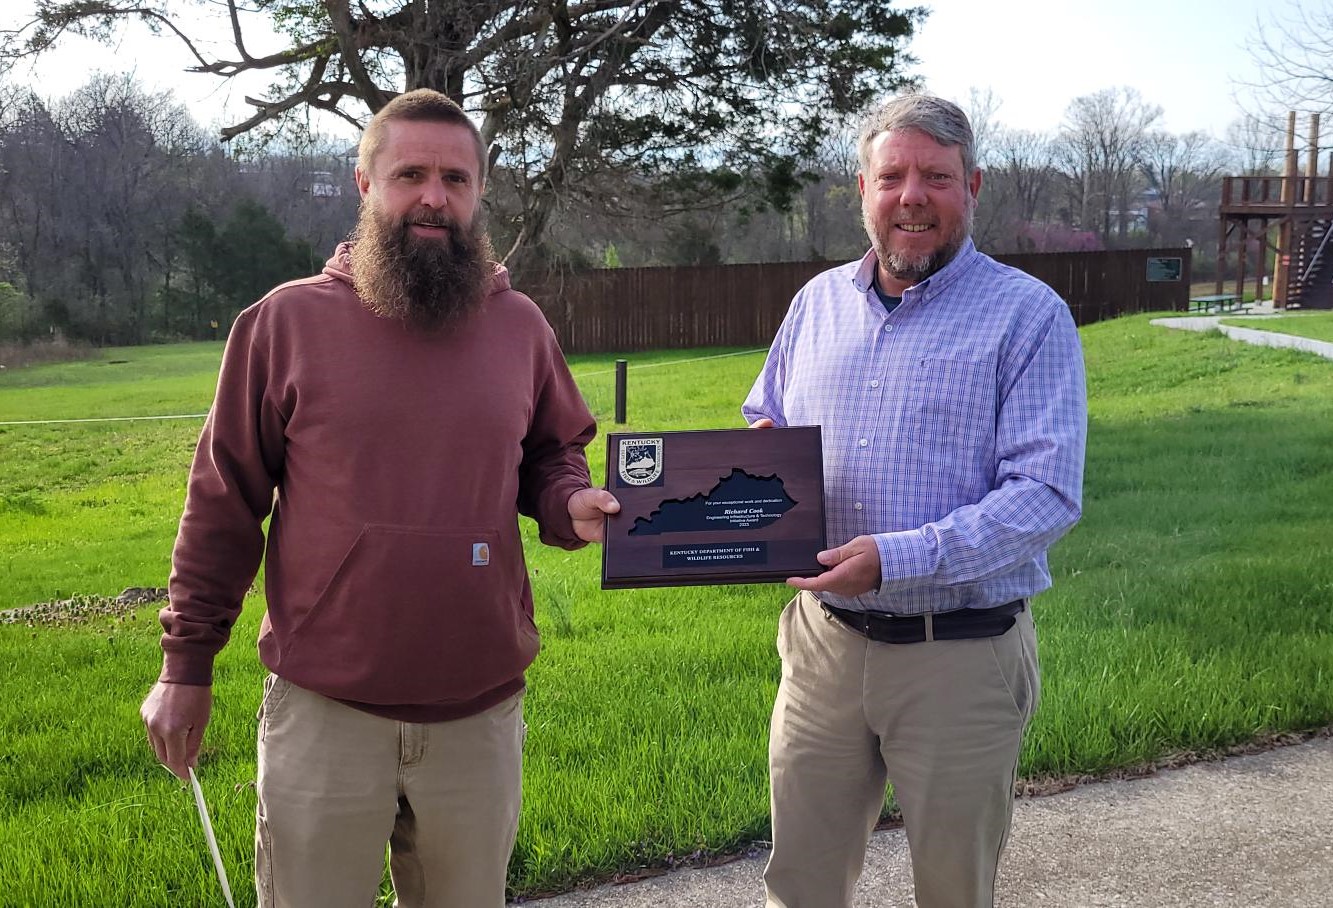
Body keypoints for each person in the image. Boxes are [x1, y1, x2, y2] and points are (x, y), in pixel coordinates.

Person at [140, 88, 620, 908]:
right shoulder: (283, 324)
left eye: (455, 179)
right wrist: (186, 664)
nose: (434, 196)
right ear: (365, 186)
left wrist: (567, 501)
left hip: (478, 713)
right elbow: (222, 502)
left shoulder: (520, 327)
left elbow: (549, 455)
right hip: (325, 711)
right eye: (410, 174)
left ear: (477, 194)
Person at [743, 94, 1087, 908]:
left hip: (958, 655)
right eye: (891, 175)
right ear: (861, 187)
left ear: (970, 186)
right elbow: (766, 420)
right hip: (823, 647)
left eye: (934, 177)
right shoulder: (816, 303)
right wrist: (713, 494)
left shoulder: (1026, 316)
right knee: (799, 880)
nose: (911, 196)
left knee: (952, 889)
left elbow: (1044, 494)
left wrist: (896, 558)